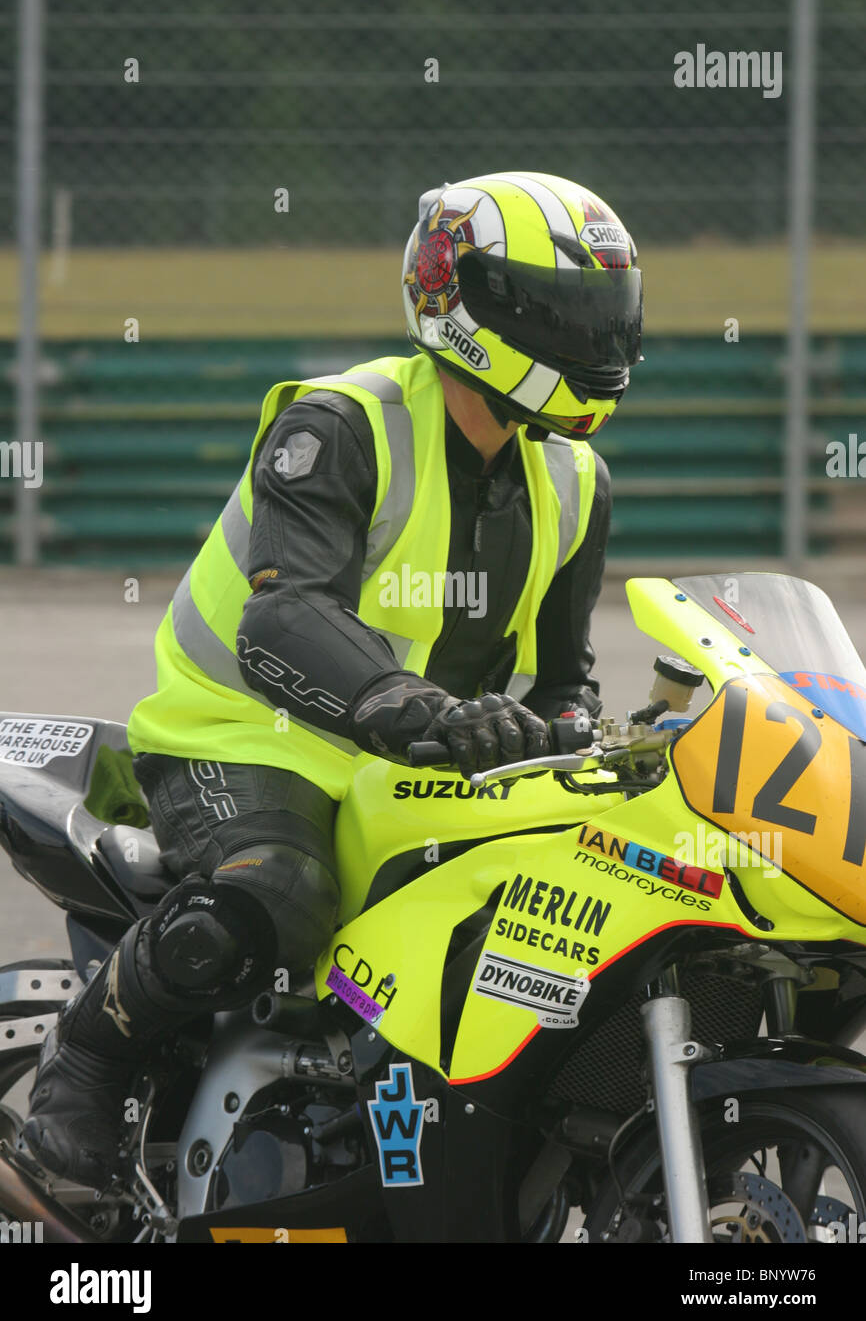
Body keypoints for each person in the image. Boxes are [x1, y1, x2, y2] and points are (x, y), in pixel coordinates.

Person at [24, 171, 643, 1188]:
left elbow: (559, 680)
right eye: (569, 314)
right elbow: (281, 616)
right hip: (241, 735)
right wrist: (412, 705)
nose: (598, 339)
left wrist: (576, 732)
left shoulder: (577, 483)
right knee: (282, 889)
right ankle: (82, 1071)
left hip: (418, 768)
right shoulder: (344, 426)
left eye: (608, 314)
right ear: (472, 308)